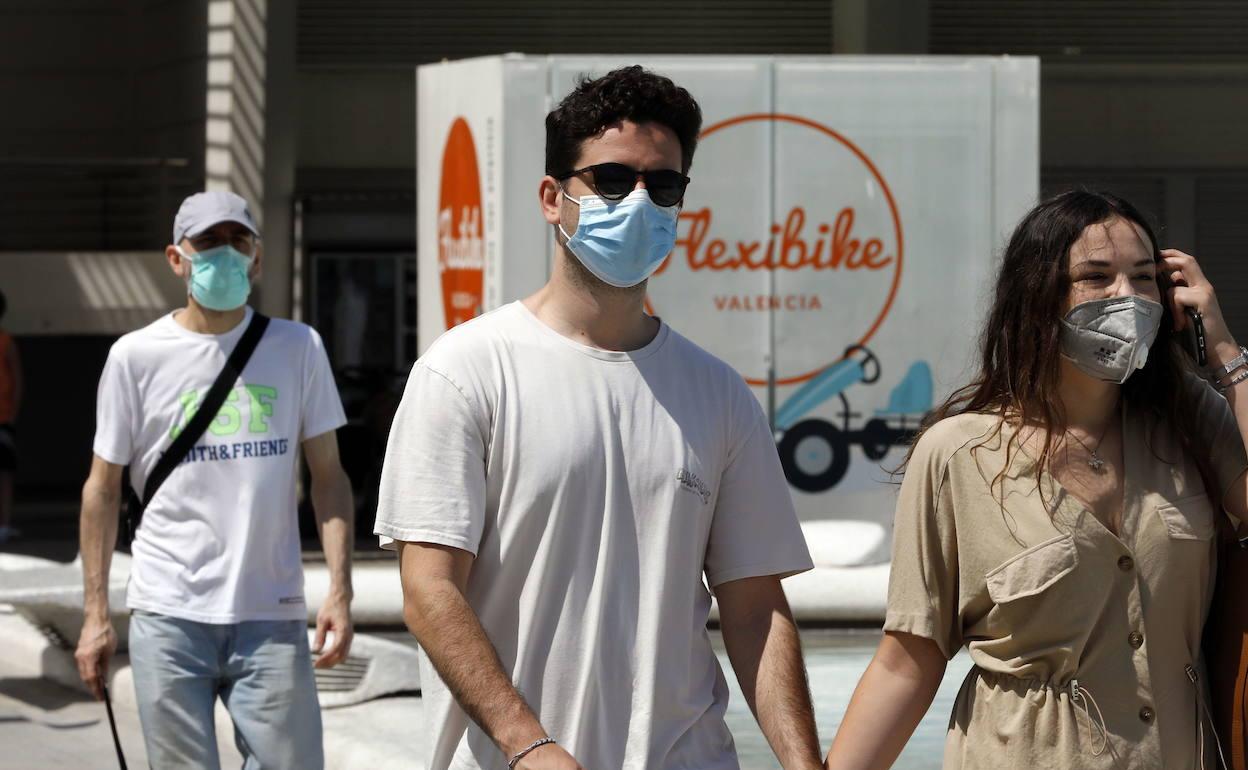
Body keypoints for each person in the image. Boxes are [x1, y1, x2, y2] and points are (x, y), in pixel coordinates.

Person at [375, 66, 821, 770]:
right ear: (553, 198)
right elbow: (429, 591)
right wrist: (531, 747)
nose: (640, 202)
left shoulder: (719, 394)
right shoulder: (465, 371)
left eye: (663, 185)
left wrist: (804, 764)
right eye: (612, 180)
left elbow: (755, 606)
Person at [824, 190, 1248, 769]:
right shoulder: (958, 454)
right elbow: (908, 660)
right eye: (1096, 277)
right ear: (1039, 295)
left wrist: (1223, 349)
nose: (1127, 297)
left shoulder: (1188, 420)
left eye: (1145, 278)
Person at [75, 191, 356, 769]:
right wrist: (95, 615)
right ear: (176, 258)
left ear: (256, 257)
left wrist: (341, 589)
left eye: (238, 241)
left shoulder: (298, 348)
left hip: (271, 612)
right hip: (169, 612)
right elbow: (101, 490)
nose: (224, 255)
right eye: (208, 243)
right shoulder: (136, 357)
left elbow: (328, 477)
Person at [0, 289, 21, 544]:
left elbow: (17, 380)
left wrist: (11, 415)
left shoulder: (5, 342)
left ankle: (4, 524)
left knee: (4, 473)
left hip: (3, 418)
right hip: (5, 418)